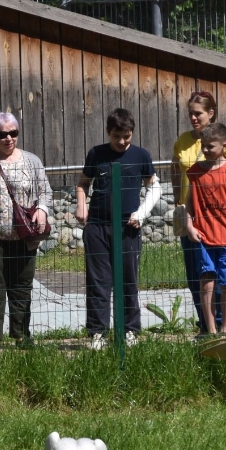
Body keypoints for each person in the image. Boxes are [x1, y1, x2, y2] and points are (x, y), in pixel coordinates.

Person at [171, 91, 226, 338]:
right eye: (190, 113)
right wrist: (178, 201)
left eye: (198, 113)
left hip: (221, 220)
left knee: (223, 279)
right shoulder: (183, 141)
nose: (193, 117)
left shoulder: (221, 141)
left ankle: (224, 327)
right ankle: (205, 327)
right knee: (197, 275)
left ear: (210, 113)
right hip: (193, 217)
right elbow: (175, 169)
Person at [0, 112, 53, 351]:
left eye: (13, 133)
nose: (8, 138)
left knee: (22, 287)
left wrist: (43, 210)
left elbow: (45, 191)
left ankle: (22, 335)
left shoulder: (32, 161)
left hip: (25, 237)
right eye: (2, 134)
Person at [75, 108, 161, 350]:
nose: (122, 142)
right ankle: (97, 334)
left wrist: (141, 214)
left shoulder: (141, 155)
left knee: (128, 281)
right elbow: (83, 183)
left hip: (128, 228)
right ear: (108, 133)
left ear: (132, 133)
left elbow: (154, 188)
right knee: (98, 282)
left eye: (127, 136)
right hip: (98, 227)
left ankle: (130, 331)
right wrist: (81, 204)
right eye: (117, 136)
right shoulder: (96, 154)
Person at [184, 122, 226, 337]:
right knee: (206, 283)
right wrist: (189, 226)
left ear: (224, 146)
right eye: (203, 145)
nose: (205, 150)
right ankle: (210, 330)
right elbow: (189, 206)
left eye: (210, 146)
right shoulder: (195, 172)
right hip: (204, 238)